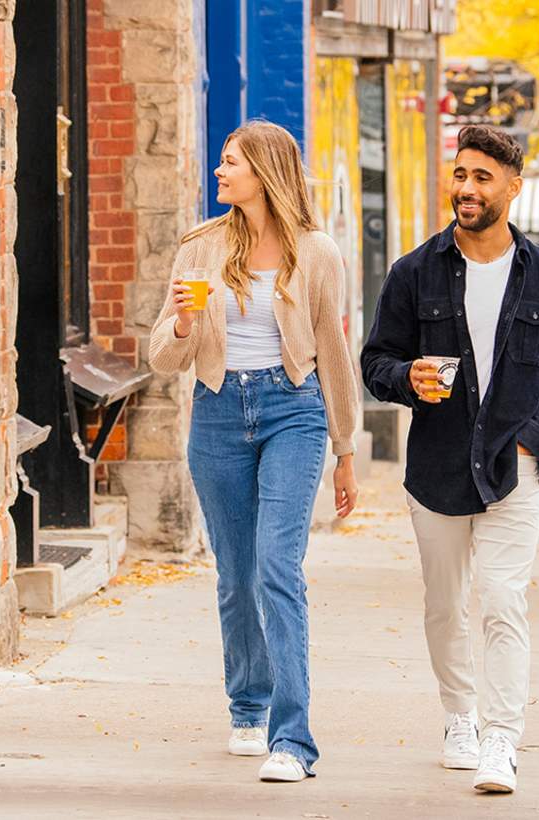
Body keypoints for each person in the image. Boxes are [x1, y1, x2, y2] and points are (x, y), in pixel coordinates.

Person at [361, 125, 539, 794]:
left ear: (511, 189)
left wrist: (531, 441)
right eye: (460, 174)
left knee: (501, 600)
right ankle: (458, 715)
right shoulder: (414, 271)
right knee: (443, 605)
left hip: (512, 470)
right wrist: (408, 379)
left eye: (481, 177)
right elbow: (376, 362)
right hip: (434, 469)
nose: (465, 188)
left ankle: (500, 740)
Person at [149, 120, 359, 782]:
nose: (219, 172)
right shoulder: (201, 250)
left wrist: (345, 447)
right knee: (236, 574)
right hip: (216, 413)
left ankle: (292, 739)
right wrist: (182, 322)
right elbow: (162, 357)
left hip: (291, 412)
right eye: (219, 162)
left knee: (277, 567)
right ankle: (248, 706)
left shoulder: (317, 252)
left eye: (230, 162)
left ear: (264, 171)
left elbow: (333, 354)